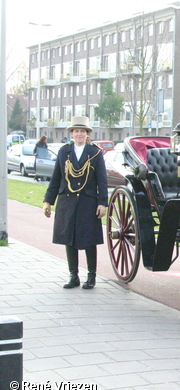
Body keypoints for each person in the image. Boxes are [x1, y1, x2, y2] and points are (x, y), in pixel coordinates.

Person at [42, 116, 108, 289]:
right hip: (67, 201)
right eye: (76, 131)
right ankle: (74, 276)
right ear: (71, 133)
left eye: (83, 131)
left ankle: (91, 276)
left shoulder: (95, 152)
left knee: (89, 239)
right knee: (68, 238)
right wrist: (48, 201)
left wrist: (103, 203)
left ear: (87, 134)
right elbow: (56, 178)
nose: (79, 134)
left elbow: (102, 180)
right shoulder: (64, 152)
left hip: (88, 202)